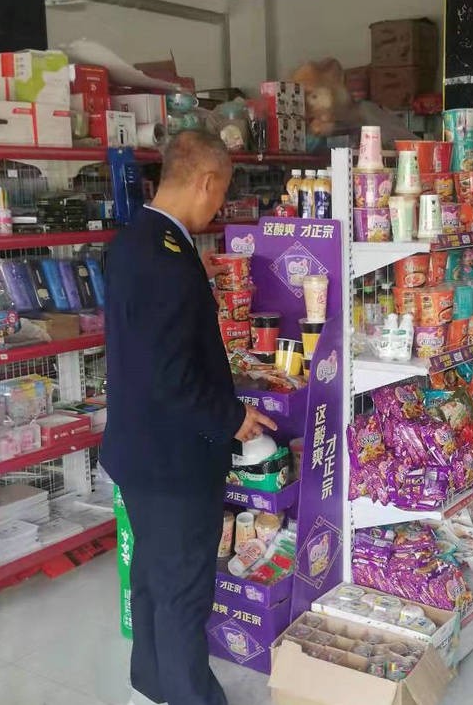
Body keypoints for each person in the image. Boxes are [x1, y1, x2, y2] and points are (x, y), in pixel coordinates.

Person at [101, 130, 277, 705]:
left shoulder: (134, 240)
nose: (218, 207)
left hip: (140, 449)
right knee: (182, 589)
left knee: (153, 576)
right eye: (221, 193)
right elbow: (170, 374)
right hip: (172, 460)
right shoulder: (167, 260)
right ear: (205, 181)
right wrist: (232, 417)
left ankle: (153, 682)